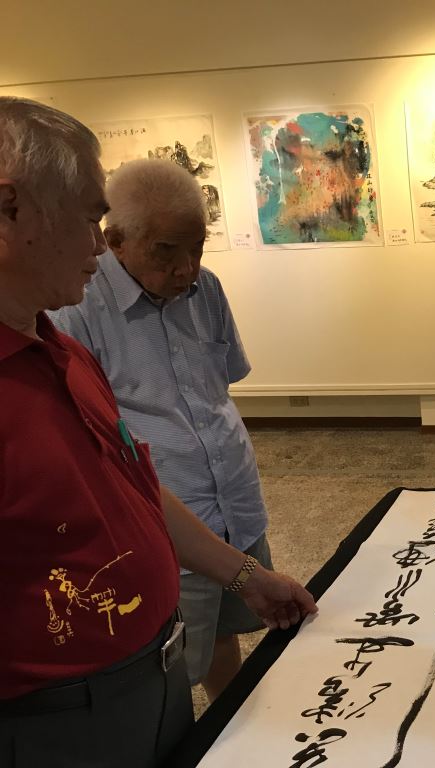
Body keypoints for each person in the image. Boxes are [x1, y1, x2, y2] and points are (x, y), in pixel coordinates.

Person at [0, 97, 316, 768]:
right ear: (8, 210)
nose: (98, 245)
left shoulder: (58, 348)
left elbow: (133, 481)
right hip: (56, 716)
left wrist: (245, 576)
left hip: (143, 677)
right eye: (89, 219)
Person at [50, 158, 275, 702]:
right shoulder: (78, 309)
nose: (186, 269)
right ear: (116, 241)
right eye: (166, 251)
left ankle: (230, 726)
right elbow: (86, 439)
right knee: (169, 666)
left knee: (223, 633)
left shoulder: (207, 289)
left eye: (197, 249)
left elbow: (221, 384)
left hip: (236, 500)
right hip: (165, 517)